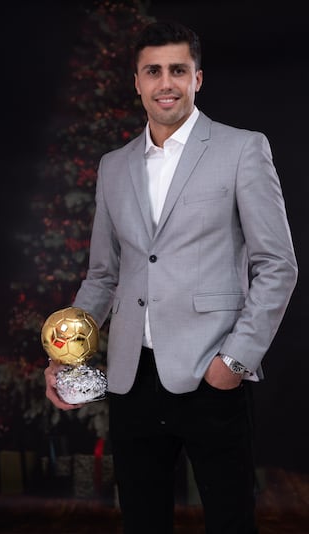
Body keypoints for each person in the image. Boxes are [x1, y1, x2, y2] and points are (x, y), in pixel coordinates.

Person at [44, 20, 298, 534]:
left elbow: (278, 265)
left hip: (213, 375)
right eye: (153, 71)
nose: (166, 82)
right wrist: (63, 354)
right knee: (142, 520)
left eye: (178, 70)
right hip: (130, 381)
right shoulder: (113, 166)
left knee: (230, 520)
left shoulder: (242, 149)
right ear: (136, 81)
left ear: (197, 78)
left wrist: (235, 360)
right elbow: (102, 274)